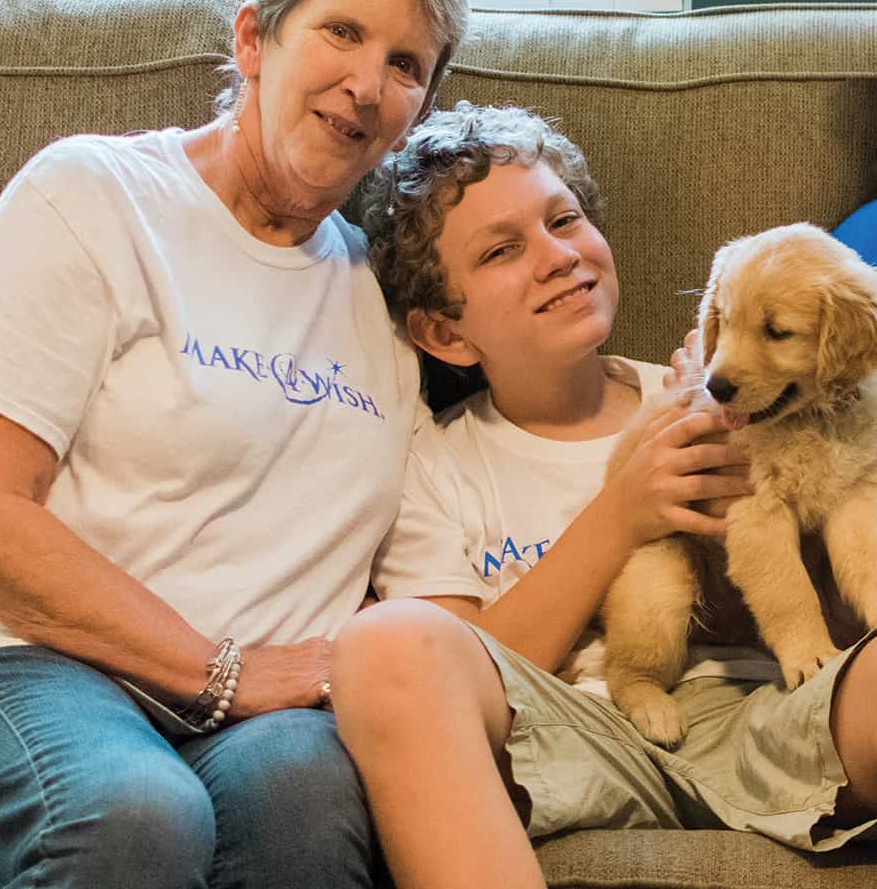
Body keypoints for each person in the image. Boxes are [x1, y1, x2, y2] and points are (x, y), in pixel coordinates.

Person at [0, 0, 468, 889]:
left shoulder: (388, 300)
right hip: (15, 663)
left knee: (313, 804)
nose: (368, 83)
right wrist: (225, 669)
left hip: (262, 723)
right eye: (342, 31)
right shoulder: (96, 195)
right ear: (253, 38)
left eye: (407, 65)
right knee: (137, 815)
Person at [331, 102, 877, 889]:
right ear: (445, 334)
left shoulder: (724, 391)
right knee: (384, 644)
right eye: (502, 250)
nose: (556, 255)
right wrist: (619, 515)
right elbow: (457, 674)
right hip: (577, 729)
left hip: (794, 712)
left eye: (565, 218)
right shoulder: (430, 462)